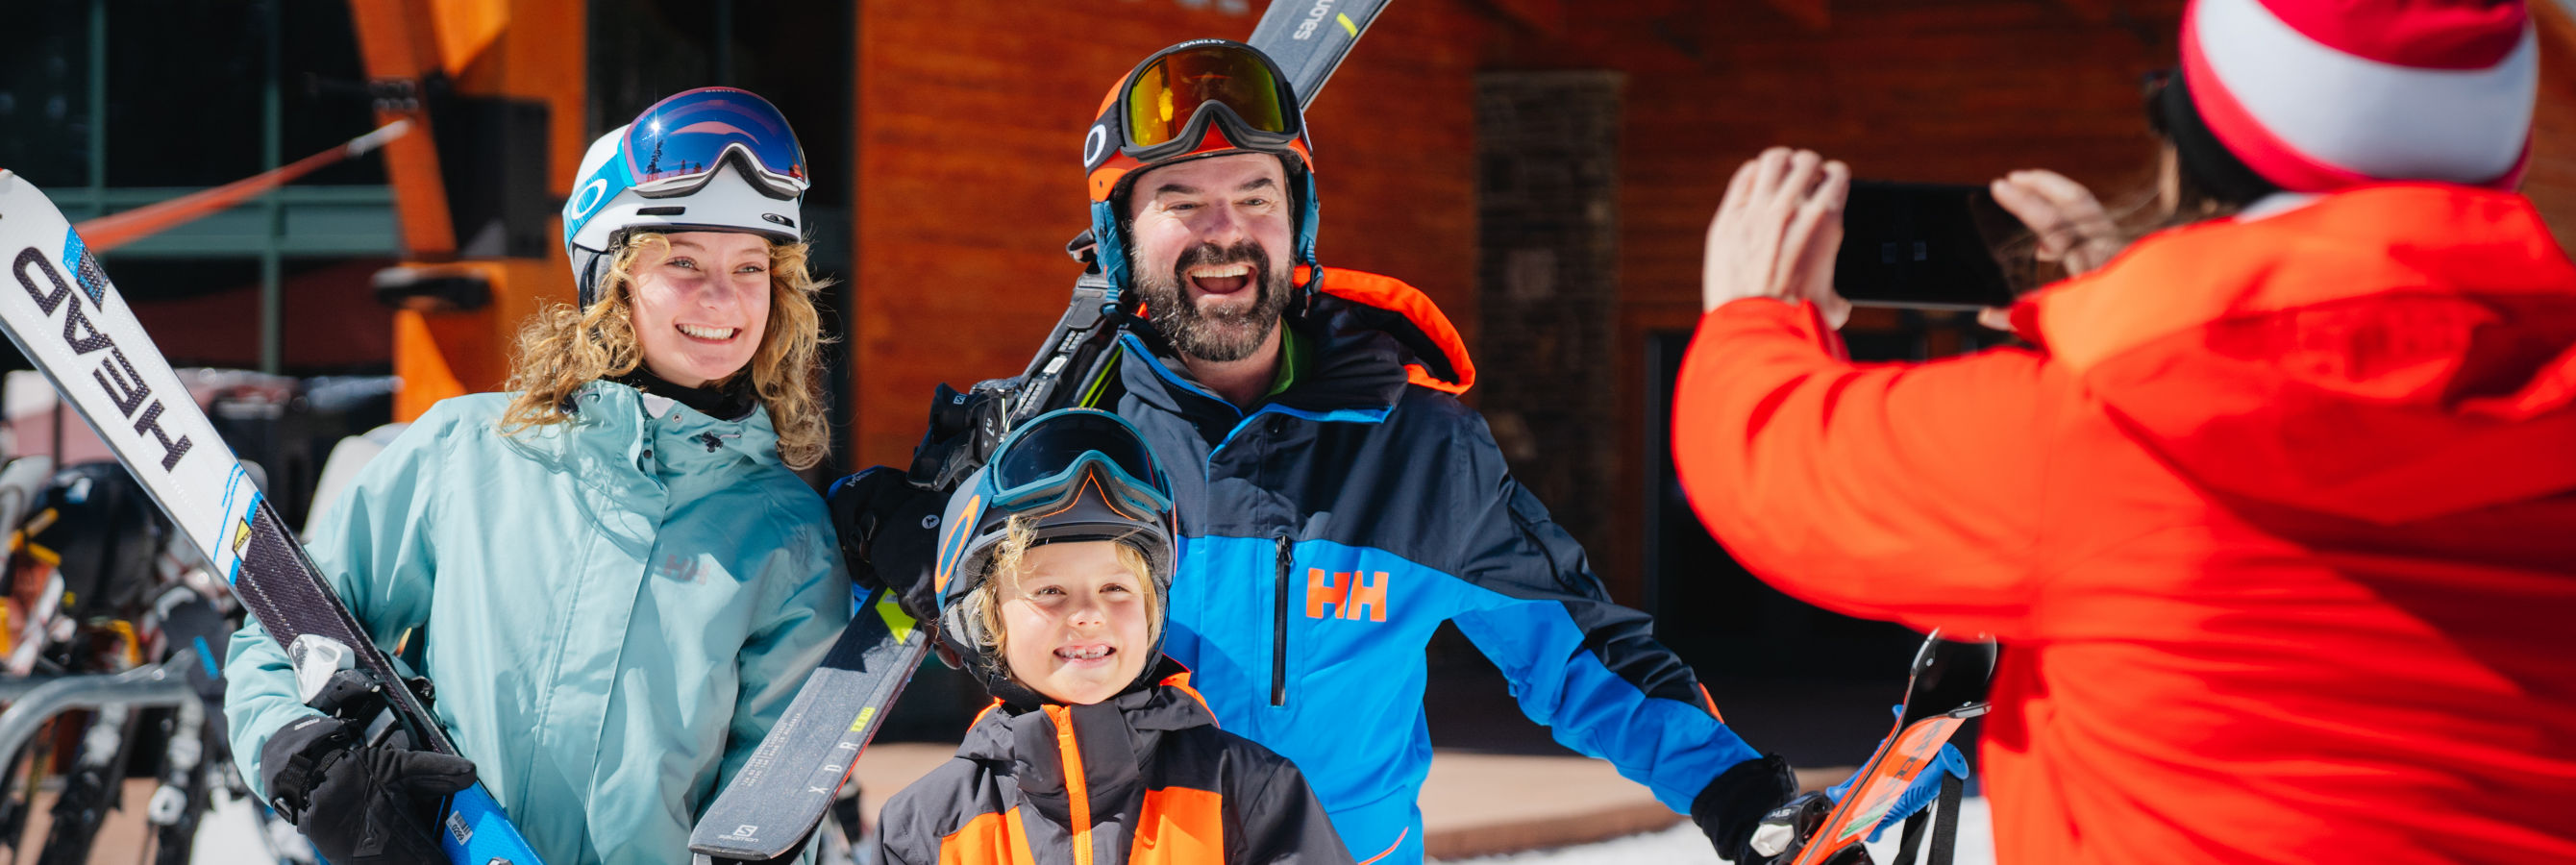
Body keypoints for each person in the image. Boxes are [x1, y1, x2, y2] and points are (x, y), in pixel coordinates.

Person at [831, 39, 1915, 865]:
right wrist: (907, 537)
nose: (1223, 229)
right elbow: (971, 639)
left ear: (1296, 230)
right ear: (1120, 243)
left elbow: (1586, 658)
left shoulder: (1422, 456)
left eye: (1255, 194)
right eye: (1178, 202)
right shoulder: (1054, 447)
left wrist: (1740, 793)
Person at [1676, 0, 2576, 861]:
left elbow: (1772, 455)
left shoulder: (2087, 438)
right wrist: (2121, 314)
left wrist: (1755, 311)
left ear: (2206, 147)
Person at [223, 86, 851, 865]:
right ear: (611, 279)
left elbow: (769, 812)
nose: (723, 297)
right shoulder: (468, 452)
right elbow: (288, 633)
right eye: (682, 260)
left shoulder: (787, 534)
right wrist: (299, 749)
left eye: (750, 266)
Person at [877, 408, 1352, 865]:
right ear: (984, 622)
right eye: (1049, 591)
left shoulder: (1252, 795)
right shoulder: (926, 828)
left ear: (1153, 612)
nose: (1088, 614)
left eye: (1115, 588)